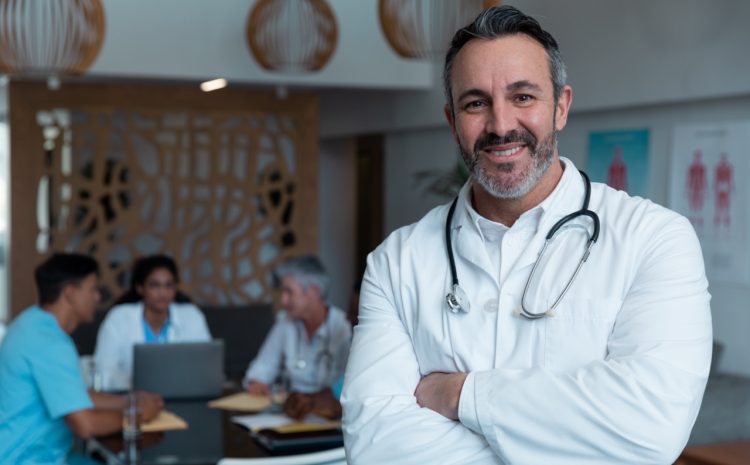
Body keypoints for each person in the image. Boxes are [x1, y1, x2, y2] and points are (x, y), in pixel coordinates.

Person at [342, 6, 712, 465]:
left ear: (561, 106)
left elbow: (650, 428)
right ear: (451, 119)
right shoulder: (395, 263)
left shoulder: (654, 240)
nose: (500, 125)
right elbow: (375, 447)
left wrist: (461, 395)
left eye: (522, 97)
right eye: (476, 102)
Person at [0, 253, 163, 464]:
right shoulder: (50, 343)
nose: (97, 297)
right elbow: (86, 426)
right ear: (69, 293)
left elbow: (72, 394)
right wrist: (137, 415)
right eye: (92, 289)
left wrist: (129, 401)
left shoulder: (30, 323)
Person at [243, 255, 351, 420]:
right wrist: (257, 382)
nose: (283, 300)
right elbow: (263, 367)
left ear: (314, 292)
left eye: (289, 292)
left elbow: (349, 388)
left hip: (331, 418)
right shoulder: (285, 324)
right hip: (292, 413)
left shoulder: (343, 327)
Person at [94, 254, 211, 391]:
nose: (163, 293)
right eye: (155, 285)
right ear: (140, 288)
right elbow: (103, 369)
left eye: (169, 285)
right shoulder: (119, 317)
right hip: (131, 399)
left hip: (183, 394)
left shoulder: (192, 316)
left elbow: (206, 368)